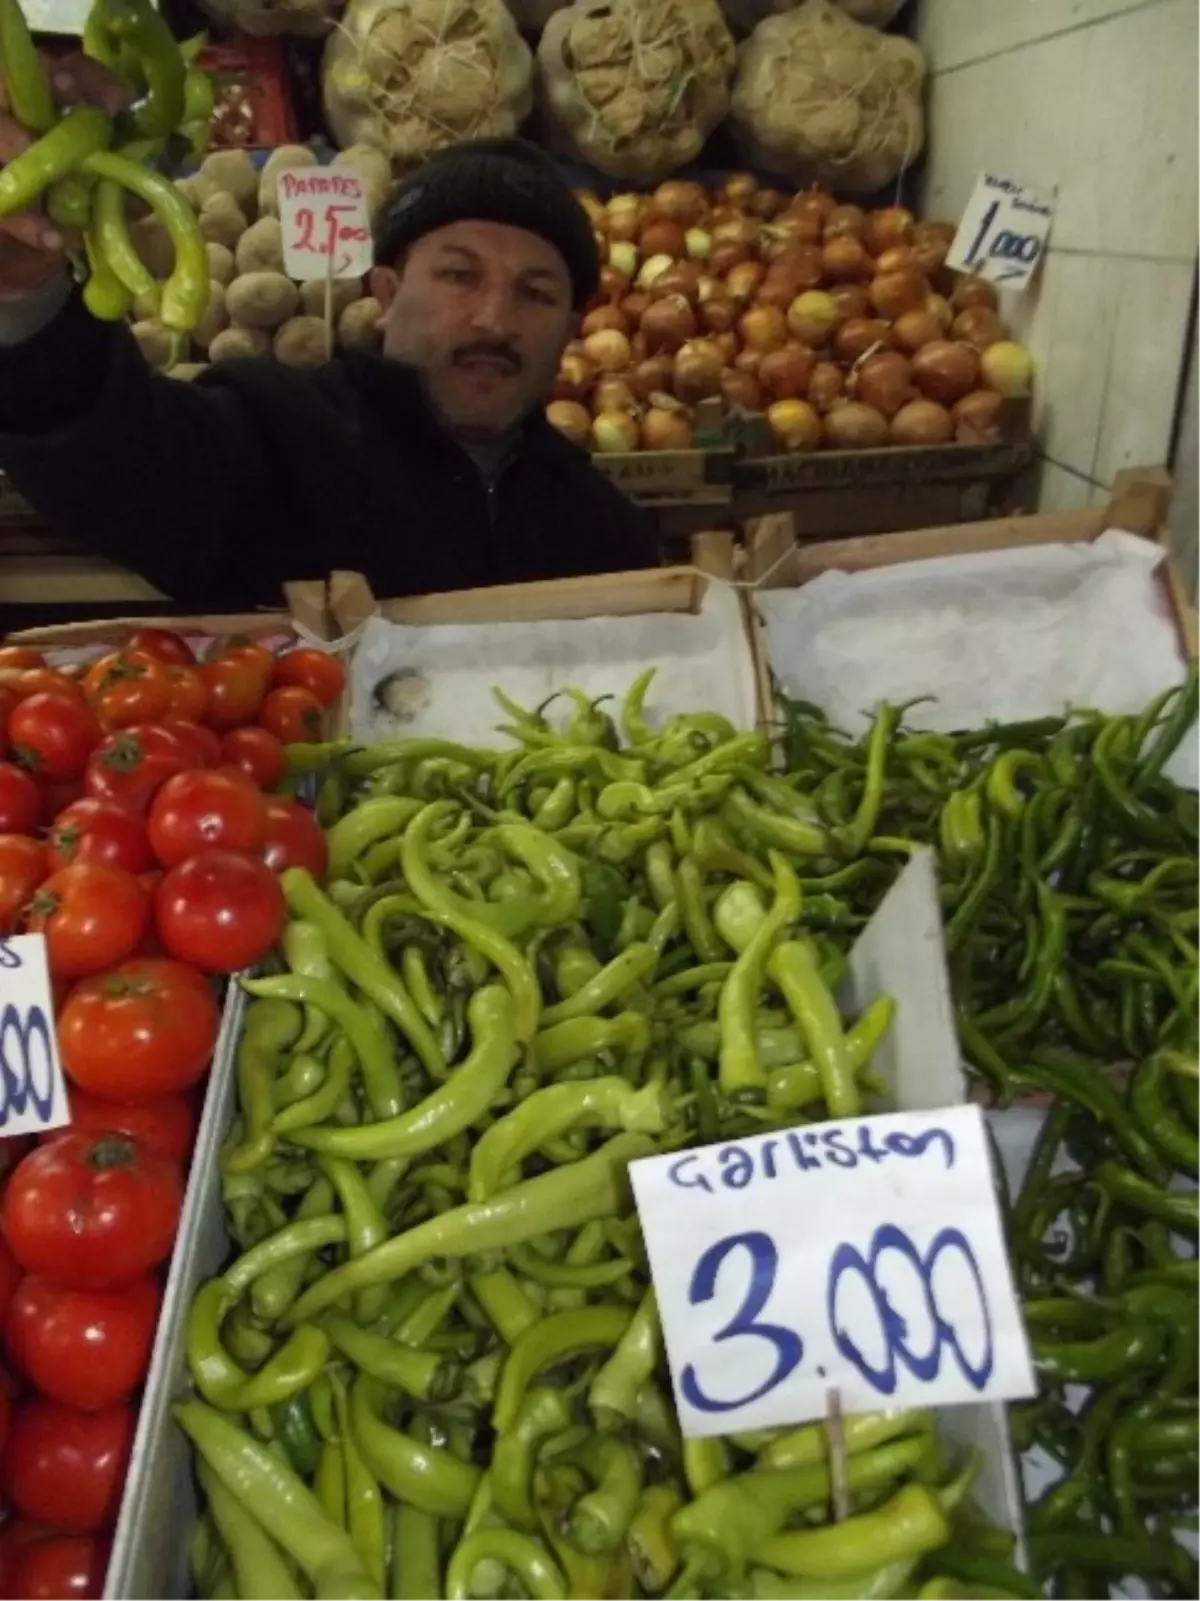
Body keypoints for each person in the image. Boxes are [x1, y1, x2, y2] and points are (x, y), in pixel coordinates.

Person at [0, 77, 657, 609]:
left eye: (536, 292)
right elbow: (109, 454)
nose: (493, 319)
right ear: (387, 290)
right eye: (459, 275)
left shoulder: (606, 531)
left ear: (571, 328)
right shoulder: (275, 433)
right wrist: (26, 290)